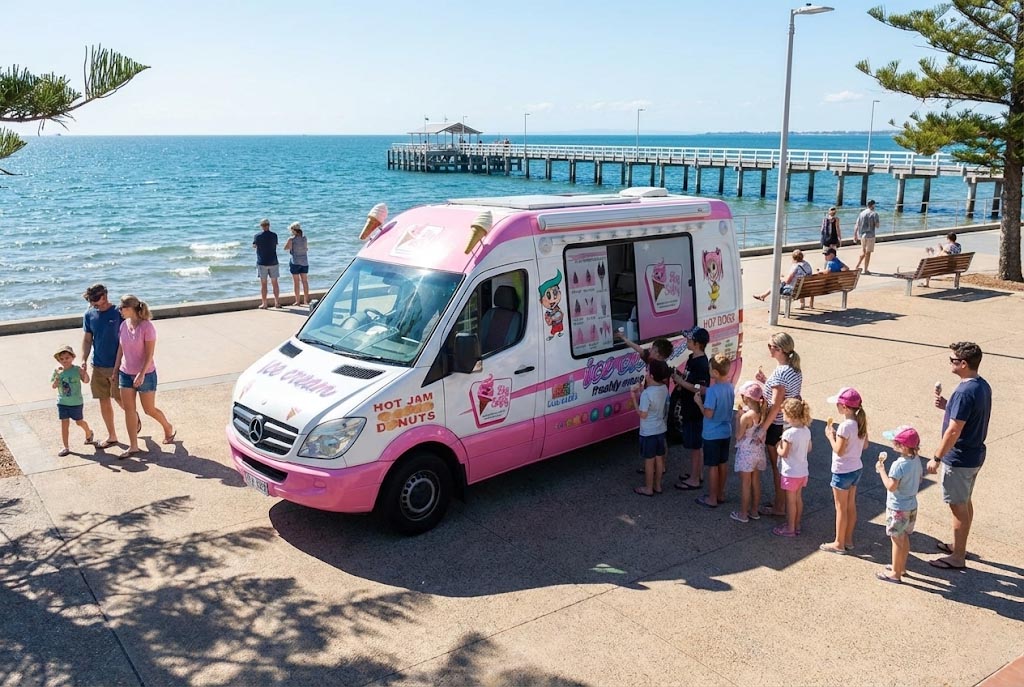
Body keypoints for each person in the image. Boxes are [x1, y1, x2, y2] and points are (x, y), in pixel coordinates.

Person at [927, 341, 992, 571]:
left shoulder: (964, 392)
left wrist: (936, 457)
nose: (950, 364)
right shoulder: (981, 386)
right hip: (975, 455)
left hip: (960, 458)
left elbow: (954, 430)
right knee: (964, 502)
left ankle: (958, 556)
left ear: (963, 364)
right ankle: (959, 546)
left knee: (957, 506)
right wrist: (948, 405)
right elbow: (970, 415)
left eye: (953, 360)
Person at [111, 295, 176, 459]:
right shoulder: (124, 325)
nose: (120, 310)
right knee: (129, 411)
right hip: (126, 373)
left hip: (146, 374)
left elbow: (149, 354)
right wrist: (116, 368)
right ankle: (133, 446)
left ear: (132, 308)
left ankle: (167, 427)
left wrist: (141, 374)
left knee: (149, 410)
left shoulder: (147, 327)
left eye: (122, 307)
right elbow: (121, 348)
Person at [754, 332, 803, 517]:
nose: (768, 349)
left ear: (779, 349)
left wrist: (762, 428)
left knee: (778, 468)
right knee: (783, 466)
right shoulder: (793, 369)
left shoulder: (781, 372)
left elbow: (776, 405)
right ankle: (781, 503)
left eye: (770, 346)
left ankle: (780, 506)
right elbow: (785, 393)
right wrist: (767, 381)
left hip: (777, 425)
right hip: (788, 423)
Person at [820, 387, 867, 554]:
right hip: (856, 468)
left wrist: (829, 436)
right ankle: (848, 539)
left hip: (842, 471)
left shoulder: (844, 427)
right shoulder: (860, 423)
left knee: (840, 507)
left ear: (845, 408)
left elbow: (838, 450)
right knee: (850, 505)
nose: (837, 407)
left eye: (838, 404)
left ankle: (838, 543)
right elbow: (865, 445)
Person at [875, 425, 924, 583]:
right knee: (905, 537)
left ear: (902, 446)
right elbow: (920, 478)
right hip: (911, 505)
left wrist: (881, 470)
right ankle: (901, 567)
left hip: (898, 507)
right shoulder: (916, 460)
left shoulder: (899, 464)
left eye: (894, 441)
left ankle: (895, 574)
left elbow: (891, 486)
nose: (892, 443)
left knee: (896, 539)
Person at [81, 283, 125, 449]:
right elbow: (87, 340)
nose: (93, 303)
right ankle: (112, 436)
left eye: (95, 299)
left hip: (117, 365)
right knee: (103, 401)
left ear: (105, 296)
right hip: (97, 365)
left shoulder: (119, 312)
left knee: (120, 400)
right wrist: (84, 359)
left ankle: (133, 417)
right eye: (91, 300)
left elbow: (128, 337)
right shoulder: (89, 314)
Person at [671, 327, 711, 491]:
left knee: (695, 446)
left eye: (689, 340)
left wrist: (681, 383)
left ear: (697, 344)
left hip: (695, 409)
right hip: (688, 406)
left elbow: (700, 388)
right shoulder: (691, 358)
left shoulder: (701, 364)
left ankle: (695, 479)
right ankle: (697, 473)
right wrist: (680, 377)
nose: (686, 342)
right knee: (695, 445)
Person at [693, 353, 733, 508]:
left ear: (715, 373)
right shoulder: (730, 387)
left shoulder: (712, 391)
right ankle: (721, 494)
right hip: (726, 431)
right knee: (723, 463)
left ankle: (712, 497)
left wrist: (698, 403)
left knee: (712, 466)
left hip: (712, 433)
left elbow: (708, 414)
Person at [773, 398, 812, 538]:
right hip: (802, 471)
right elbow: (809, 448)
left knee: (790, 501)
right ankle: (797, 524)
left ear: (790, 415)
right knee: (798, 499)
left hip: (790, 472)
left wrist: (778, 447)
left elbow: (784, 453)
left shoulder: (788, 433)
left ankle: (790, 528)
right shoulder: (806, 430)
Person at [631, 359, 671, 497]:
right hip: (660, 429)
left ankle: (648, 488)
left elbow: (643, 414)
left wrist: (634, 398)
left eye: (647, 371)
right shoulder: (664, 388)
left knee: (649, 461)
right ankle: (658, 485)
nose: (646, 373)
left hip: (648, 432)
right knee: (659, 459)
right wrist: (642, 391)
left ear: (651, 376)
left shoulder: (647, 394)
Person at [730, 381, 767, 523]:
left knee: (746, 484)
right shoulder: (763, 413)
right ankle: (754, 511)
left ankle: (743, 514)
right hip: (758, 452)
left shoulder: (746, 417)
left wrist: (738, 418)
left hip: (746, 452)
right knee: (756, 481)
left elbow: (739, 436)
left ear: (747, 398)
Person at [51, 345, 93, 456]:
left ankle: (89, 432)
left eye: (67, 358)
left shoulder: (76, 370)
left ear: (72, 357)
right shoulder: (57, 371)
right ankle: (66, 447)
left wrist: (84, 373)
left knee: (79, 422)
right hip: (62, 402)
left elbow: (86, 381)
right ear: (59, 360)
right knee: (64, 423)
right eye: (62, 359)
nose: (64, 360)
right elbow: (54, 386)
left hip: (76, 402)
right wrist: (57, 379)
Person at [253, 218, 281, 309]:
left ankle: (264, 303)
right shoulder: (274, 235)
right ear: (269, 225)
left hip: (262, 262)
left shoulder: (257, 236)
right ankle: (276, 302)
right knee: (275, 283)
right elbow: (275, 245)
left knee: (263, 284)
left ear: (261, 226)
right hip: (273, 261)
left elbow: (254, 246)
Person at [284, 221, 310, 306]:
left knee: (296, 282)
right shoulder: (304, 238)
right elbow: (306, 248)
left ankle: (297, 301)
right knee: (305, 281)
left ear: (294, 231)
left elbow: (286, 248)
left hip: (295, 262)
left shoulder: (291, 239)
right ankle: (306, 300)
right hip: (304, 262)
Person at [853, 200, 879, 275]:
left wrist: (855, 235)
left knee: (863, 252)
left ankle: (857, 266)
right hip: (870, 235)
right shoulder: (874, 214)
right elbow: (877, 226)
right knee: (868, 253)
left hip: (862, 235)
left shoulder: (862, 213)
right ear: (872, 205)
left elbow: (857, 225)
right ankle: (865, 269)